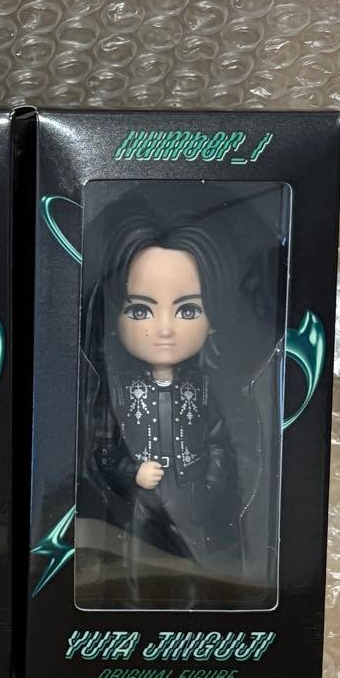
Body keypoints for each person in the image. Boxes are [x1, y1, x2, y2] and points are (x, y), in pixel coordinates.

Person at [79, 206, 242, 610]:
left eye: (188, 310)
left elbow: (220, 442)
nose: (165, 329)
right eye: (140, 310)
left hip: (191, 499)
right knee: (136, 574)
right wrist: (131, 473)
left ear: (212, 319)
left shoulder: (202, 389)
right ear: (115, 316)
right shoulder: (118, 389)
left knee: (193, 575)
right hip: (140, 505)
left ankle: (191, 623)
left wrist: (207, 486)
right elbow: (100, 450)